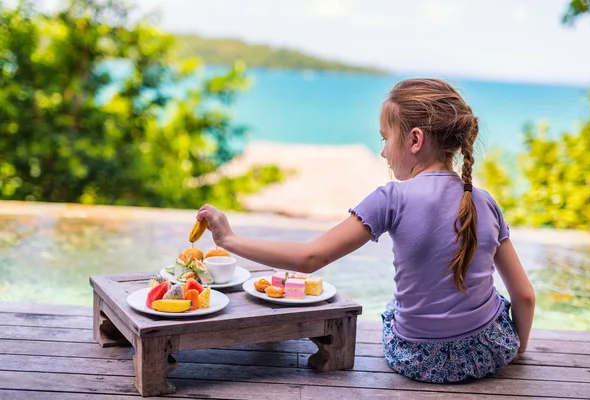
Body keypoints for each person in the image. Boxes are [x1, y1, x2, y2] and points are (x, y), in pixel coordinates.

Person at [196, 78, 535, 383]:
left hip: (416, 359)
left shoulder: (392, 197)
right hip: (486, 355)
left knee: (393, 308)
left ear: (415, 139)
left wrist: (229, 239)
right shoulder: (483, 200)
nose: (384, 151)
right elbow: (524, 296)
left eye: (386, 139)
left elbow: (310, 257)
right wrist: (516, 350)